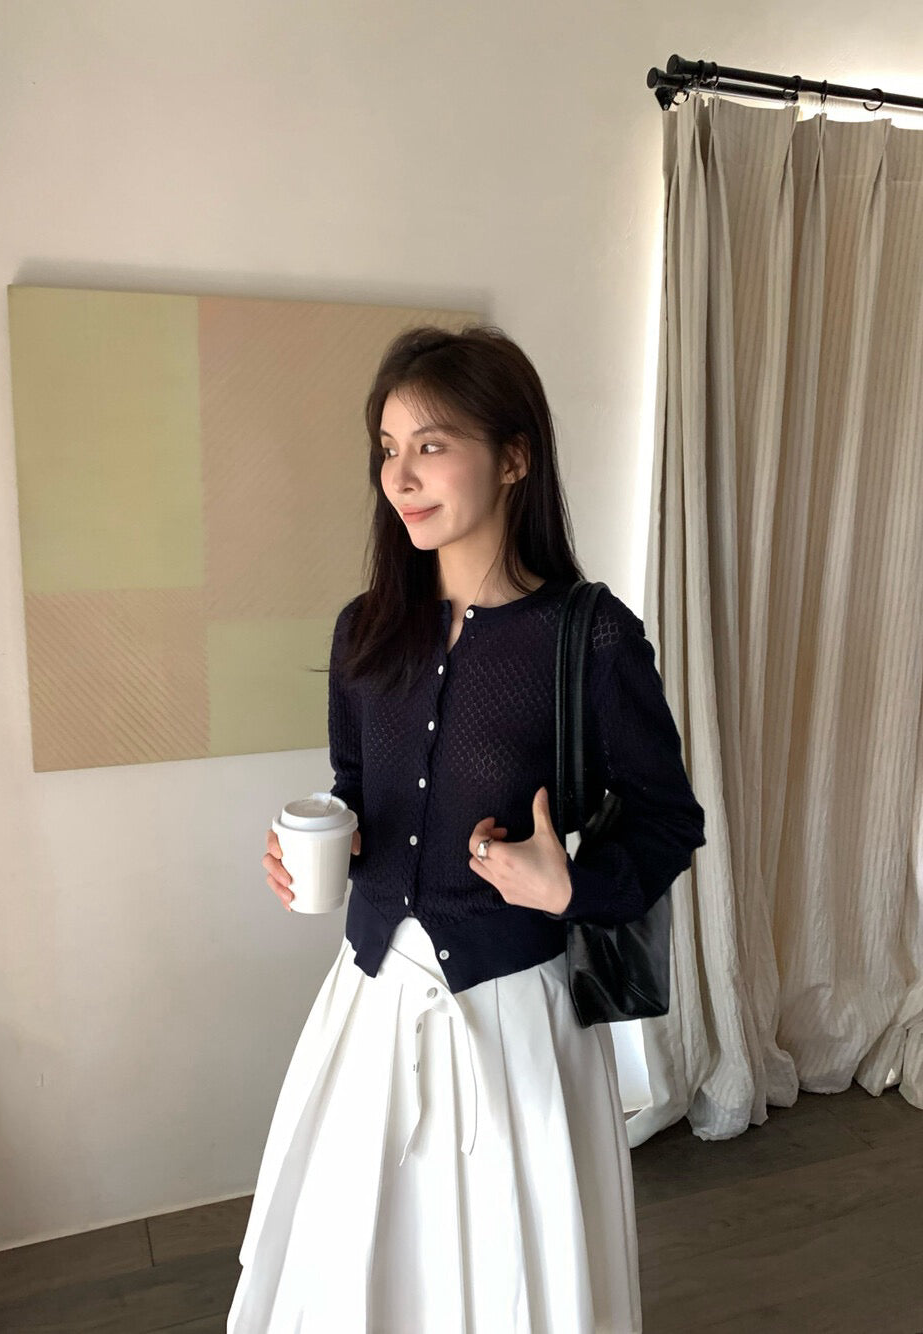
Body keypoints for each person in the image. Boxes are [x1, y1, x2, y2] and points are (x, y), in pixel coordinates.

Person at [227, 325, 706, 1333]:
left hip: (515, 1019)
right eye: (388, 448)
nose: (400, 475)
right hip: (369, 1009)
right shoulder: (363, 630)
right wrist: (319, 844)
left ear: (514, 456)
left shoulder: (590, 637)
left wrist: (571, 885)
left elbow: (670, 821)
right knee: (357, 1278)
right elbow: (356, 792)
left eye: (432, 444)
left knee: (512, 1285)